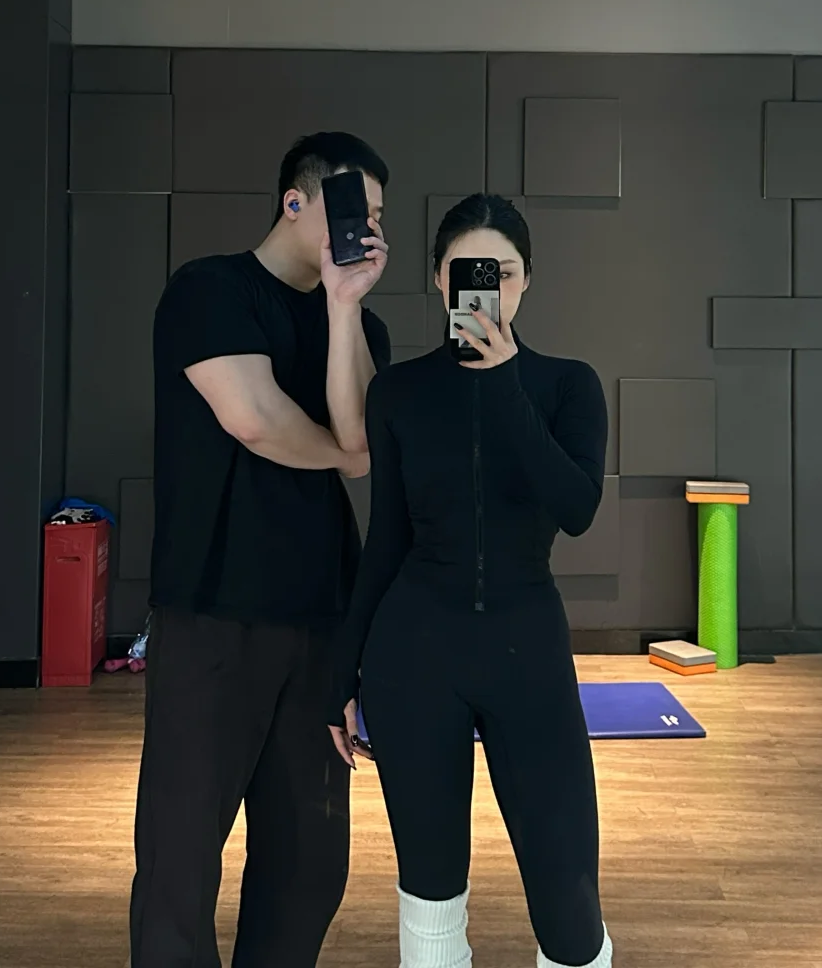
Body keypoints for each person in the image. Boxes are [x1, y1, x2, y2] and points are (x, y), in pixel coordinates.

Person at [329, 195, 613, 968]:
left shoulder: (566, 386)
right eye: (466, 272)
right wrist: (341, 674)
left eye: (503, 273)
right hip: (415, 654)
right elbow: (386, 539)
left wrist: (505, 380)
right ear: (437, 279)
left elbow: (577, 508)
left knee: (569, 903)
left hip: (529, 649)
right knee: (429, 894)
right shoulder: (399, 393)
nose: (487, 288)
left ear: (526, 281)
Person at [130, 132, 392, 968]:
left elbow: (362, 440)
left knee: (309, 865)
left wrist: (344, 308)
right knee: (179, 860)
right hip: (212, 614)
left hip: (320, 619)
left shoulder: (363, 327)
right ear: (296, 201)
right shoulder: (210, 291)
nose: (367, 228)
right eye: (353, 208)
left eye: (378, 216)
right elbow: (254, 419)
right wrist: (343, 450)